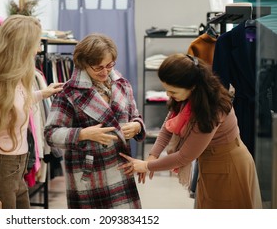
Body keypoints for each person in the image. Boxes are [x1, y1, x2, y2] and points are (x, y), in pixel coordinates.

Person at [119, 53, 262, 209]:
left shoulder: (212, 108)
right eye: (166, 90)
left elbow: (183, 157)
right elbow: (168, 126)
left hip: (229, 167)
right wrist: (152, 156)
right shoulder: (187, 96)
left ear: (192, 86)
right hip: (210, 163)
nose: (168, 95)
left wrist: (146, 166)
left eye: (172, 92)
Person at [0, 15, 63, 209]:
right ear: (22, 47)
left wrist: (43, 93)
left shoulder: (15, 80)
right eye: (36, 43)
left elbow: (13, 105)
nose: (39, 49)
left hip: (17, 168)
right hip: (2, 171)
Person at [44, 33, 146, 209]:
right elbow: (51, 134)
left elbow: (135, 115)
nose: (105, 72)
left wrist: (137, 126)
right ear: (83, 64)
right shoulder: (68, 93)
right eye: (98, 67)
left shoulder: (122, 84)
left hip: (121, 166)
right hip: (90, 174)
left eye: (109, 65)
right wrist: (83, 134)